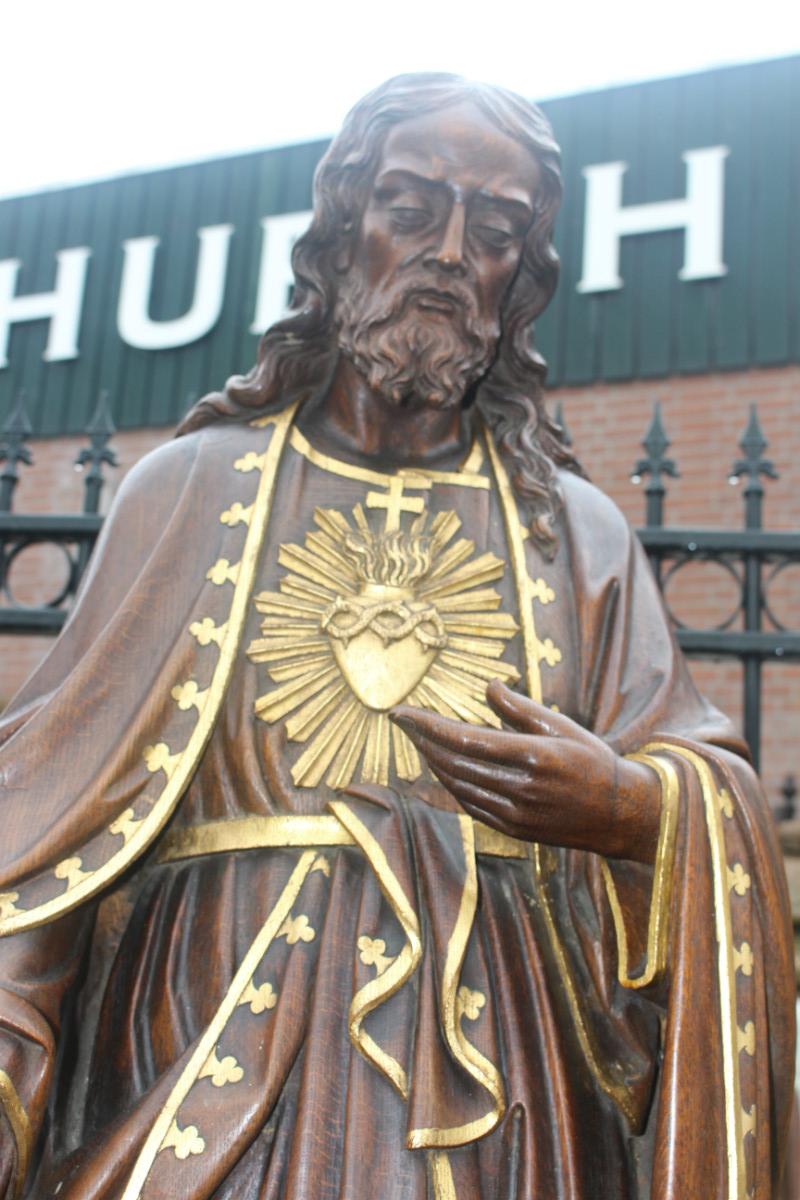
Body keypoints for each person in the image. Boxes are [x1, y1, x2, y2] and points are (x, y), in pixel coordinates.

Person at [0, 74, 794, 1200]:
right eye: (410, 207)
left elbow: (701, 779)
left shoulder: (574, 532)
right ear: (340, 235)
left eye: (495, 228)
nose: (445, 251)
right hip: (203, 1048)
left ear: (519, 277)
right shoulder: (191, 488)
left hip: (503, 1088)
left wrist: (626, 807)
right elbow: (41, 823)